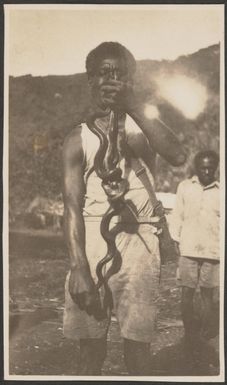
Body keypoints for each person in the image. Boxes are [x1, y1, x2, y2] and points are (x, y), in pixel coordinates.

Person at [62, 41, 186, 375]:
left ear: (130, 82)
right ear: (90, 80)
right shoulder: (78, 138)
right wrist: (79, 269)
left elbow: (177, 155)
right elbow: (71, 207)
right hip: (92, 241)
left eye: (120, 75)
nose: (112, 82)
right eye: (104, 74)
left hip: (140, 243)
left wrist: (133, 106)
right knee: (89, 352)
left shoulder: (141, 130)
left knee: (138, 350)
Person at [170, 150, 220, 352]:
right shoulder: (185, 187)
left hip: (212, 249)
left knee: (208, 294)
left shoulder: (221, 190)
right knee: (187, 292)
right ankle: (189, 332)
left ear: (216, 168)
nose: (207, 171)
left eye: (211, 168)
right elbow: (177, 215)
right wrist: (176, 238)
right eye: (203, 167)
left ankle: (206, 334)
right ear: (196, 168)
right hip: (189, 247)